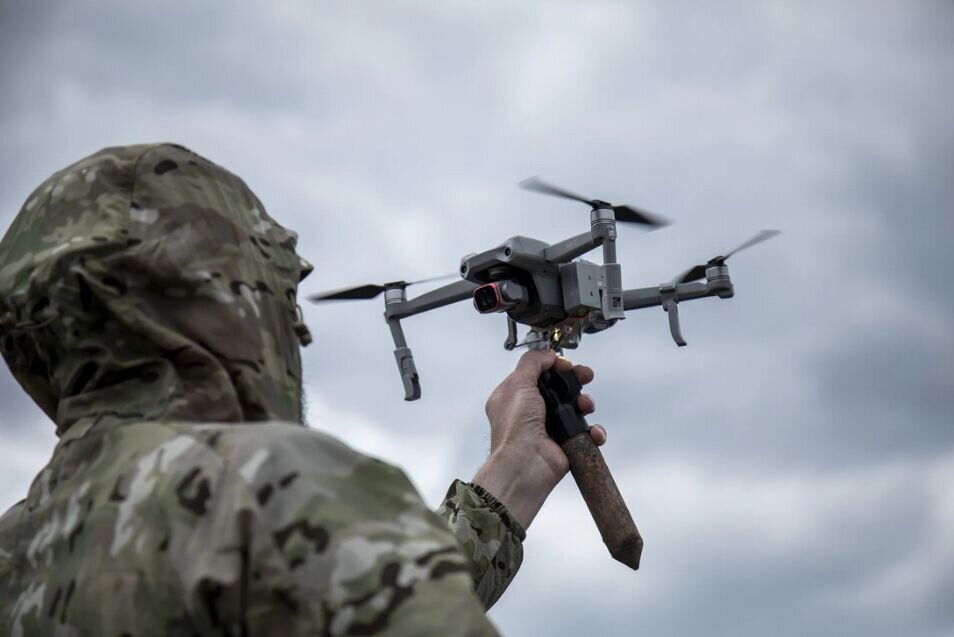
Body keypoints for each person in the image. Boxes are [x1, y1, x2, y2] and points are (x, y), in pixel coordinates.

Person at [0, 143, 604, 635]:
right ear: (221, 295)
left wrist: (514, 470)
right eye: (274, 293)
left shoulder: (18, 553)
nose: (299, 330)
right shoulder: (270, 489)